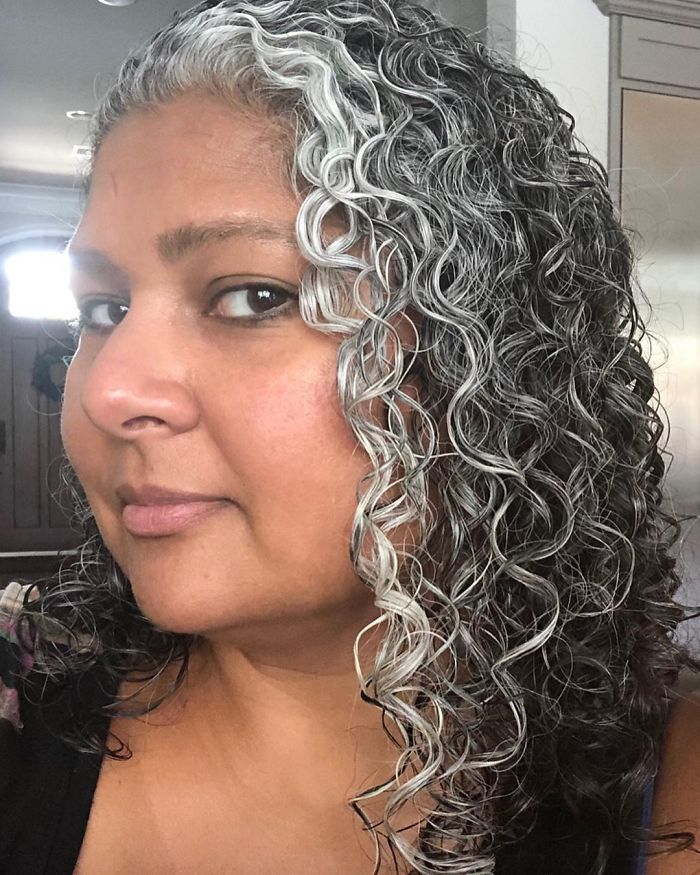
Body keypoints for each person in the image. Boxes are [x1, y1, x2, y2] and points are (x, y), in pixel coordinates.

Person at [0, 1, 695, 872]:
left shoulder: (668, 794)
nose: (109, 391)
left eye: (253, 296)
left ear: (492, 359)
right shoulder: (21, 731)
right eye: (103, 310)